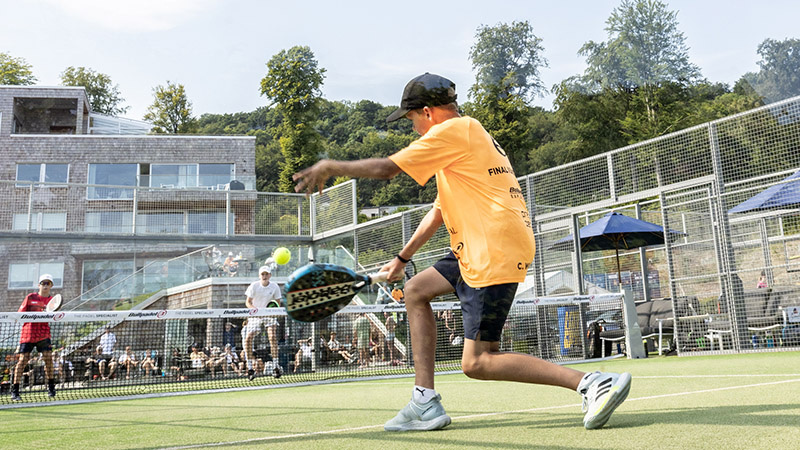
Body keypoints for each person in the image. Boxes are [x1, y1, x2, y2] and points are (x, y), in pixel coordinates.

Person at [293, 73, 632, 432]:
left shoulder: (452, 131)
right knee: (416, 290)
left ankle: (591, 382)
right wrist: (402, 259)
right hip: (478, 245)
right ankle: (424, 400)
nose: (414, 128)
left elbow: (387, 169)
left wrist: (331, 166)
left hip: (491, 248)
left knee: (478, 362)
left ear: (427, 112)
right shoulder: (465, 139)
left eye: (412, 119)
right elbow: (439, 212)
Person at [10, 274, 59, 401]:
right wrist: (35, 315)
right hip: (28, 333)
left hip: (44, 333)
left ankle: (51, 388)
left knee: (48, 358)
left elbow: (54, 317)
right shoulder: (30, 297)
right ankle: (15, 390)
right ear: (39, 285)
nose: (45, 285)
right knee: (23, 360)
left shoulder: (52, 301)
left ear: (51, 286)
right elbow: (20, 314)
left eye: (48, 283)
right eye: (43, 283)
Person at [243, 265, 283, 380]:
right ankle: (250, 369)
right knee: (248, 338)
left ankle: (275, 367)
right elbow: (248, 302)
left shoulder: (275, 286)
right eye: (262, 274)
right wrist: (256, 311)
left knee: (272, 337)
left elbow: (277, 303)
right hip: (255, 315)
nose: (264, 276)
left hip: (269, 315)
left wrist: (271, 312)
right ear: (259, 275)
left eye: (266, 274)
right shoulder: (254, 286)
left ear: (270, 275)